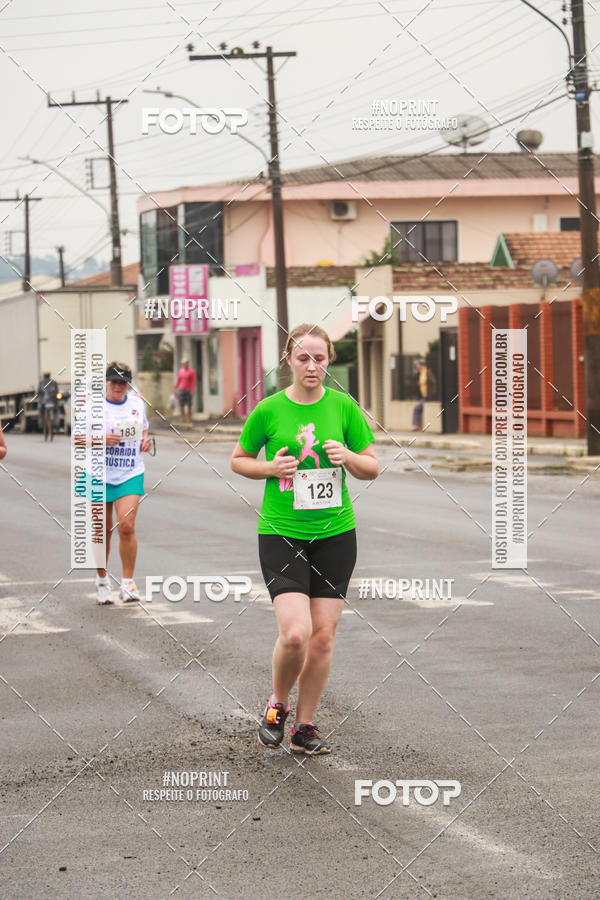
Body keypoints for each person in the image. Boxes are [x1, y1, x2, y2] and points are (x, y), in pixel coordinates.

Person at [231, 323, 379, 755]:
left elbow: (372, 466)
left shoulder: (344, 408)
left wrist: (349, 457)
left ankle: (305, 726)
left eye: (319, 358)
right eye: (303, 358)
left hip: (335, 534)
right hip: (282, 533)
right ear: (288, 361)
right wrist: (270, 470)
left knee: (323, 637)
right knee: (296, 632)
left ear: (329, 360)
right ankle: (277, 704)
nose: (312, 366)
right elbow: (239, 460)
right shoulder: (270, 410)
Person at [74, 362, 151, 605]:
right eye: (114, 381)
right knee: (101, 531)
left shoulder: (137, 404)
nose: (118, 386)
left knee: (126, 525)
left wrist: (146, 443)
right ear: (106, 382)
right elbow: (76, 439)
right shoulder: (92, 407)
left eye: (122, 382)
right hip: (98, 474)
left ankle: (128, 583)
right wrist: (101, 438)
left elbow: (144, 432)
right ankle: (102, 580)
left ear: (129, 383)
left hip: (129, 471)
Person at [174, 358, 196, 425]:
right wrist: (175, 388)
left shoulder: (192, 371)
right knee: (181, 405)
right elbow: (179, 380)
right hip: (181, 389)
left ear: (188, 363)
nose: (184, 364)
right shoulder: (181, 371)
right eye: (183, 363)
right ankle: (182, 417)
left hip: (188, 390)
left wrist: (192, 390)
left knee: (189, 405)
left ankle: (189, 417)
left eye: (185, 363)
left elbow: (193, 381)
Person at [411, 360, 429, 431]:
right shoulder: (420, 373)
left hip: (428, 396)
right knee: (418, 408)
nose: (417, 368)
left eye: (418, 366)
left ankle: (417, 426)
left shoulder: (426, 372)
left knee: (417, 407)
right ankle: (417, 425)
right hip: (423, 396)